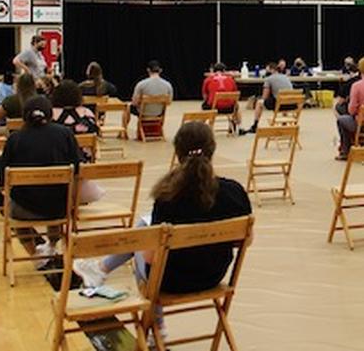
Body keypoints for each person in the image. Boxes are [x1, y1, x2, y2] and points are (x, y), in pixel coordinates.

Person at [72, 121, 252, 337]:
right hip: (214, 275)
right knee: (145, 229)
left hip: (170, 282)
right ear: (212, 149)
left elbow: (150, 258)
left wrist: (141, 239)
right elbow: (244, 241)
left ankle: (156, 327)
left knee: (143, 235)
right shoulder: (234, 192)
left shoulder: (168, 196)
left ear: (177, 153)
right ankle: (100, 269)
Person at [0, 95, 82, 268]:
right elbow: (77, 168)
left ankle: (34, 254)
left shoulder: (15, 138)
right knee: (56, 193)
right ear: (50, 114)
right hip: (60, 208)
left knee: (14, 210)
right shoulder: (65, 134)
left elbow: (2, 177)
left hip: (24, 210)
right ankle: (52, 245)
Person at [239, 62, 293, 135]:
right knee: (281, 99)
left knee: (259, 103)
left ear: (272, 69)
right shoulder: (286, 77)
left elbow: (265, 97)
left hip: (280, 105)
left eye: (267, 70)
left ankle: (255, 126)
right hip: (291, 104)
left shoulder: (269, 79)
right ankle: (284, 123)